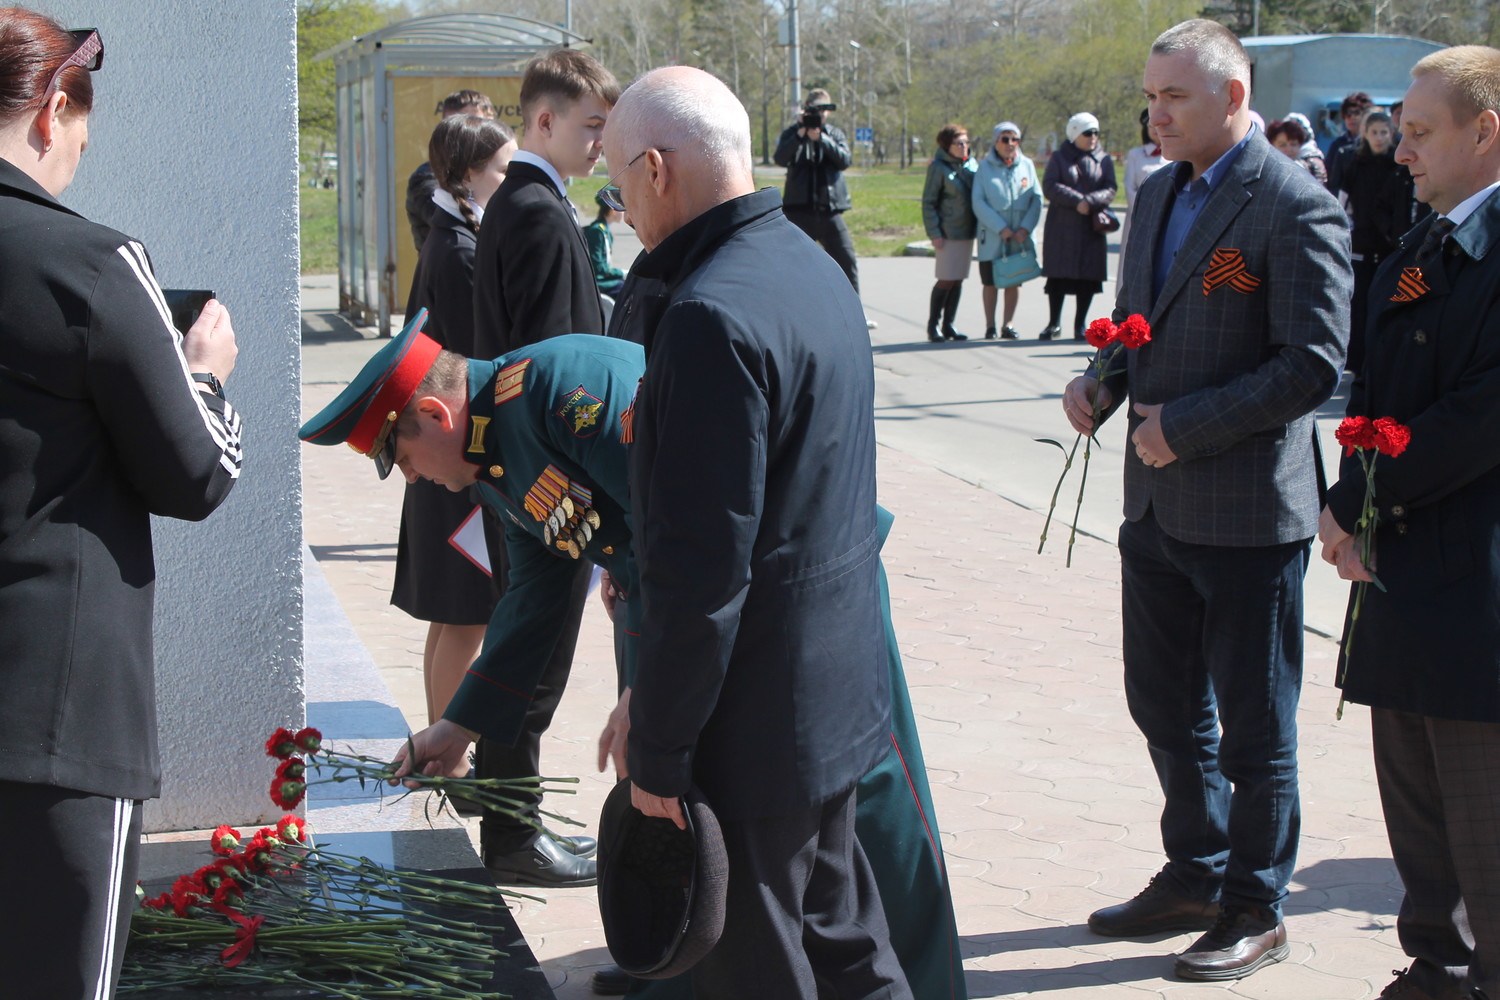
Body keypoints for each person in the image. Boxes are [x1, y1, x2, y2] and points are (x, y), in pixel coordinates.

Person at [600, 65, 912, 999]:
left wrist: (659, 748)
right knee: (846, 942)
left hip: (753, 719)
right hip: (830, 692)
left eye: (618, 187)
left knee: (760, 965)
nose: (621, 212)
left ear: (657, 170)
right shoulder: (806, 261)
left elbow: (705, 568)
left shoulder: (706, 314)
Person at [1060, 18, 1350, 981]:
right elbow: (1145, 328)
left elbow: (1309, 365)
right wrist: (1101, 381)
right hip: (1153, 511)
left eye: (1174, 96)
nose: (1155, 112)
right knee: (1165, 705)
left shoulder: (1294, 205)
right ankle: (1196, 870)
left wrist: (1184, 428)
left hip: (1242, 514)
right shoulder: (1155, 193)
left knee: (1256, 723)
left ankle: (1255, 906)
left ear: (1233, 97)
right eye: (1150, 94)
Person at [0, 15, 244, 999]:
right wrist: (209, 377)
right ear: (52, 110)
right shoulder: (89, 263)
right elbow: (196, 474)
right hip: (56, 717)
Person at [1317, 44, 1500, 1000]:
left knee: (1483, 808)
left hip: (1476, 577)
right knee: (1416, 794)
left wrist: (1356, 503)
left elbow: (1478, 417)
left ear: (1487, 131)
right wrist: (1355, 513)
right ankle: (1435, 963)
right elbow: (1373, 392)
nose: (1401, 153)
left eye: (1422, 134)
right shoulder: (1425, 241)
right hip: (1402, 571)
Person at [469, 46, 622, 888]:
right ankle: (511, 833)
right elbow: (541, 366)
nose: (601, 144)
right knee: (533, 651)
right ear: (544, 121)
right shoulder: (532, 209)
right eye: (591, 126)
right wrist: (578, 494)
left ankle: (512, 822)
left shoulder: (528, 201)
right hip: (545, 477)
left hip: (539, 472)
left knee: (535, 645)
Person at [394, 113, 517, 730]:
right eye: (502, 168)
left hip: (436, 448)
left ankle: (441, 742)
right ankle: (450, 750)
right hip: (453, 454)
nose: (510, 177)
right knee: (468, 613)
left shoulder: (448, 234)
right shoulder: (462, 251)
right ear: (470, 175)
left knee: (455, 614)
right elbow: (476, 359)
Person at [773, 88, 860, 293]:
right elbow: (780, 158)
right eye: (814, 110)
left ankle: (855, 313)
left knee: (846, 260)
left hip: (829, 210)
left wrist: (822, 139)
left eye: (823, 111)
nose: (818, 116)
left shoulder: (834, 134)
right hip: (799, 211)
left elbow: (844, 161)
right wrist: (800, 134)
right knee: (791, 264)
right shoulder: (793, 132)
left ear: (828, 112)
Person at [1040, 111, 1116, 340]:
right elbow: (1050, 186)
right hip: (1062, 226)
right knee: (1058, 277)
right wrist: (1076, 201)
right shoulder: (1059, 157)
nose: (1093, 137)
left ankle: (1080, 324)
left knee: (1088, 277)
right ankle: (1053, 323)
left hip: (1090, 228)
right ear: (1074, 134)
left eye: (1096, 132)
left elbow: (1110, 187)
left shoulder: (1104, 158)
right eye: (1087, 132)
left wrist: (1090, 202)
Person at [1339, 110, 1404, 374]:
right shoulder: (1354, 162)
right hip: (1361, 243)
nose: (1379, 138)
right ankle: (1357, 362)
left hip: (1390, 244)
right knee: (1359, 306)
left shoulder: (1398, 166)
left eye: (1384, 132)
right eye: (1374, 132)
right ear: (1365, 134)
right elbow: (1341, 201)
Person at [972, 120, 1041, 340]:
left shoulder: (1027, 165)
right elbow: (978, 201)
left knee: (1014, 278)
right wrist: (1000, 228)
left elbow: (1036, 199)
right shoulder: (984, 167)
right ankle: (990, 325)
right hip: (993, 235)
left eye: (1014, 139)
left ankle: (1007, 324)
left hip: (1019, 235)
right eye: (1005, 139)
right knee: (990, 281)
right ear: (996, 142)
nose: (1010, 144)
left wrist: (1025, 228)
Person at [405, 89, 497, 250]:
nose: (479, 136)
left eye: (482, 126)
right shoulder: (426, 178)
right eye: (468, 125)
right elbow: (453, 217)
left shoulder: (494, 173)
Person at [921, 123, 978, 342]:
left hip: (967, 231)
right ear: (947, 145)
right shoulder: (939, 167)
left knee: (958, 279)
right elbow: (929, 202)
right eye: (958, 143)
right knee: (945, 279)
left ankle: (949, 325)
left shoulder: (972, 165)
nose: (964, 146)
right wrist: (934, 232)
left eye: (966, 142)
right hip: (947, 232)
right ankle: (932, 325)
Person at [1120, 108, 1170, 271]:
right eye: (1151, 127)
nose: (1155, 131)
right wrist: (1146, 211)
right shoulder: (1135, 155)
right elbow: (1129, 187)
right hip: (1139, 217)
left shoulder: (1174, 155)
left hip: (1167, 217)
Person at [1326, 90, 1373, 197]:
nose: (1351, 118)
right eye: (1347, 114)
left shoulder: (1374, 142)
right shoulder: (1337, 144)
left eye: (1356, 113)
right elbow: (1331, 179)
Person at [584, 188, 626, 297]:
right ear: (613, 210)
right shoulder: (597, 231)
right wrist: (621, 273)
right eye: (621, 208)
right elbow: (598, 268)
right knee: (626, 289)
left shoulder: (604, 230)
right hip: (597, 282)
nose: (623, 212)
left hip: (603, 278)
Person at [1267, 117, 1328, 183]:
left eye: (1293, 144)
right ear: (1271, 145)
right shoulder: (1264, 172)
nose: (1289, 149)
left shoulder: (1307, 172)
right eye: (1282, 145)